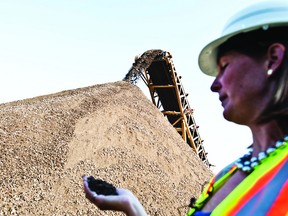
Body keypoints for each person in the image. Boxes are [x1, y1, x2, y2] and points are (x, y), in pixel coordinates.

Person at [83, 1, 288, 215]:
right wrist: (133, 207)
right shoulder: (228, 174)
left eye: (225, 66)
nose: (214, 84)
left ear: (273, 59)